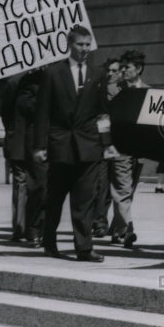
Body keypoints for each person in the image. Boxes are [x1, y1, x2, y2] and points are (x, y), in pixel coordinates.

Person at [34, 25, 113, 262]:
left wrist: (107, 143)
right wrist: (39, 146)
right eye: (80, 44)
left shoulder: (98, 73)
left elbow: (102, 113)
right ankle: (49, 241)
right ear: (69, 45)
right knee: (55, 198)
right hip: (61, 146)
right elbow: (42, 113)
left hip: (89, 146)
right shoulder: (52, 73)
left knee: (85, 199)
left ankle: (84, 248)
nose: (85, 49)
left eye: (88, 45)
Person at [107, 49, 148, 248]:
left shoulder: (149, 91)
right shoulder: (114, 89)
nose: (123, 71)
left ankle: (117, 230)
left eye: (127, 67)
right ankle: (128, 229)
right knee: (122, 189)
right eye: (122, 67)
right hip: (119, 148)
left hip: (139, 150)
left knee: (128, 191)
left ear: (138, 69)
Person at [0, 68, 46, 244]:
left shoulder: (51, 78)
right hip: (20, 140)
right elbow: (7, 111)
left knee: (34, 185)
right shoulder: (16, 82)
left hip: (33, 141)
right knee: (22, 183)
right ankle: (21, 228)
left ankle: (27, 227)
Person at [92, 57, 122, 238]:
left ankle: (114, 224)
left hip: (121, 144)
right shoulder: (99, 90)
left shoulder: (124, 90)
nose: (111, 74)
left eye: (115, 70)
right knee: (101, 185)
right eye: (109, 70)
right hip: (103, 143)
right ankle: (99, 222)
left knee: (118, 185)